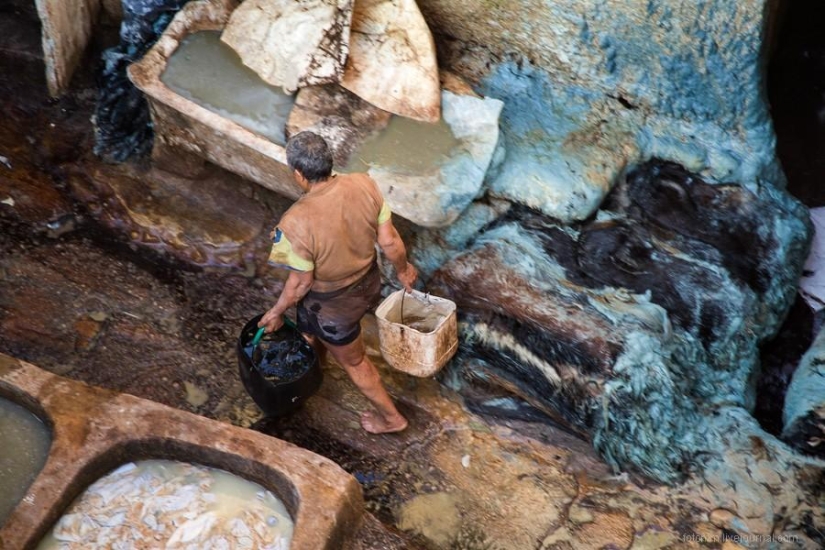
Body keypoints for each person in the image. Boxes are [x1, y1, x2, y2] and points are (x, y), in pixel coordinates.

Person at [259, 131, 418, 434]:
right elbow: (389, 241)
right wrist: (403, 270)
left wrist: (276, 312)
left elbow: (300, 285)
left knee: (356, 362)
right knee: (308, 325)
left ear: (298, 174)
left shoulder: (293, 225)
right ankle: (319, 361)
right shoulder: (364, 184)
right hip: (369, 282)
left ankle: (392, 418)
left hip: (332, 306)